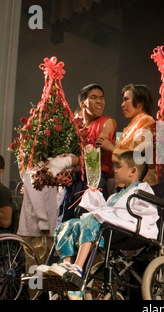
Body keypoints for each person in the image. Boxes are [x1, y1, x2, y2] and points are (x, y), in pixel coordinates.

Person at [39, 150, 158, 300]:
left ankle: (77, 269)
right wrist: (94, 196)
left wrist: (105, 214)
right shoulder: (117, 194)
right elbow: (107, 210)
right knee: (70, 224)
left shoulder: (143, 190)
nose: (114, 169)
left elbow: (142, 212)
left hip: (131, 228)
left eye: (119, 166)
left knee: (93, 220)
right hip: (113, 226)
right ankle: (67, 266)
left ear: (133, 171)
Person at [56, 83, 117, 223]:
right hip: (74, 179)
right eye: (94, 98)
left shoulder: (107, 122)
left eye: (102, 98)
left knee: (87, 222)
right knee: (64, 219)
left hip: (95, 179)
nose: (99, 101)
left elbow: (95, 155)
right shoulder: (76, 126)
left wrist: (69, 161)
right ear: (83, 104)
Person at [98, 84, 157, 187]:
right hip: (125, 181)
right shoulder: (131, 125)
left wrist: (111, 148)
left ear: (139, 103)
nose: (122, 104)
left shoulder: (146, 120)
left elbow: (136, 156)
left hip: (139, 182)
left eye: (126, 100)